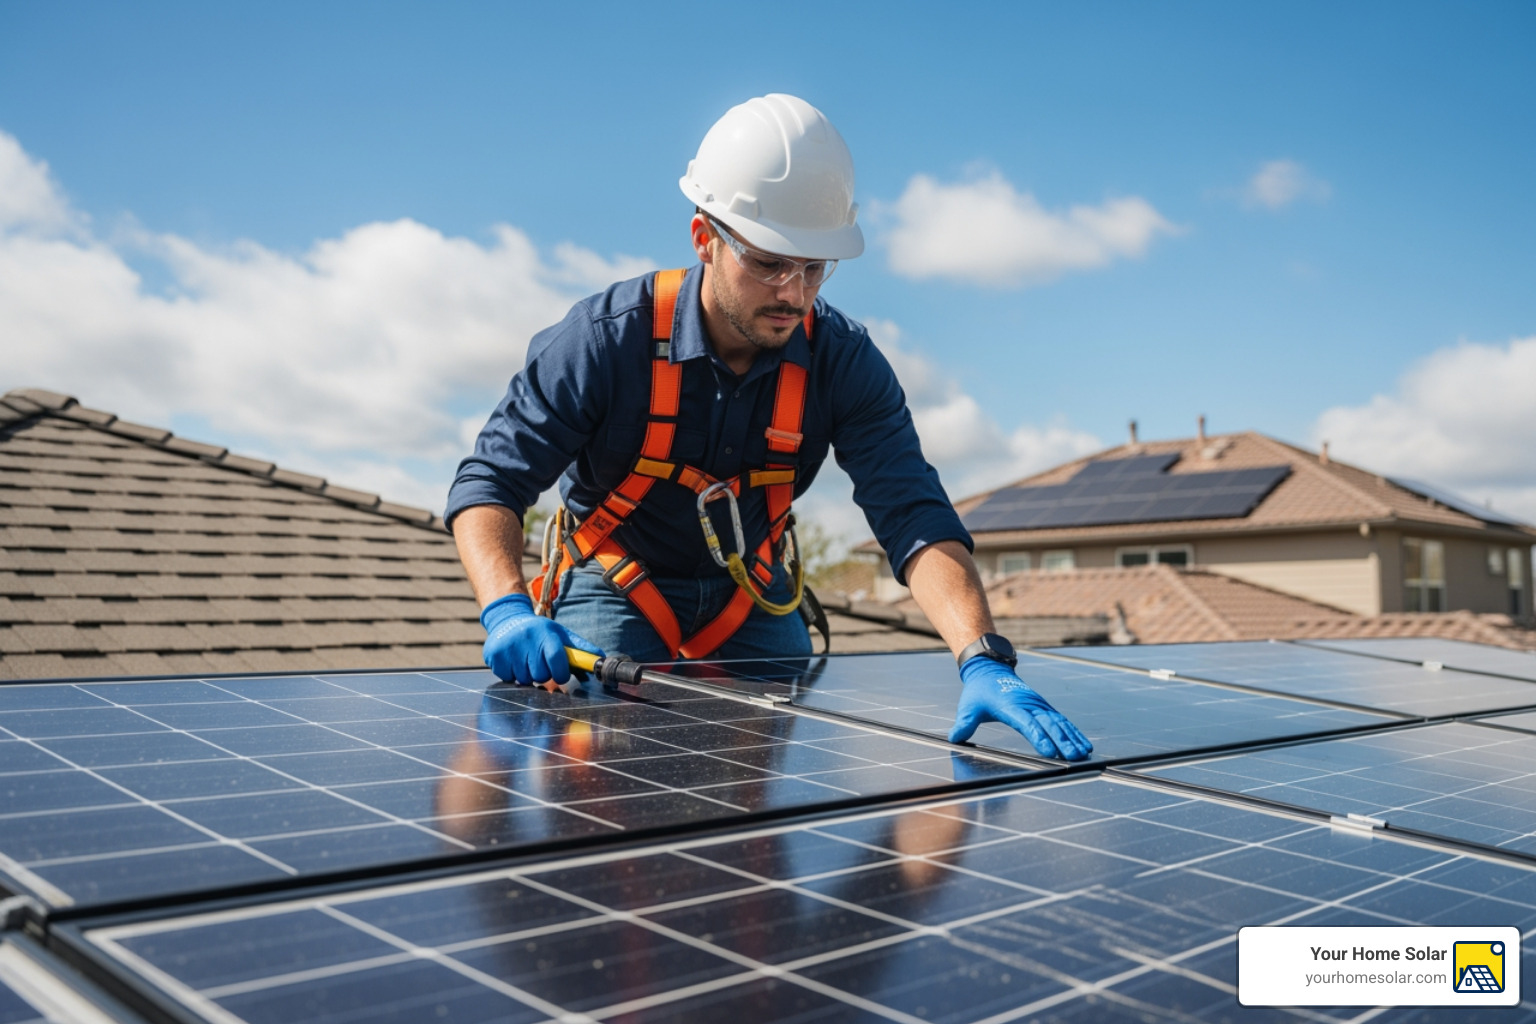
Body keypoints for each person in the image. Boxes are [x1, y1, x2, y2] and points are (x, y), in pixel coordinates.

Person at [446, 94, 1091, 762]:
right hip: (618, 585)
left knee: (770, 789)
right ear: (704, 238)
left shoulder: (843, 363)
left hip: (748, 595)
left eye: (814, 268)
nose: (793, 292)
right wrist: (506, 607)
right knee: (595, 769)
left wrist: (982, 657)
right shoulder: (605, 341)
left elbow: (912, 514)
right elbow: (490, 481)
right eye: (768, 262)